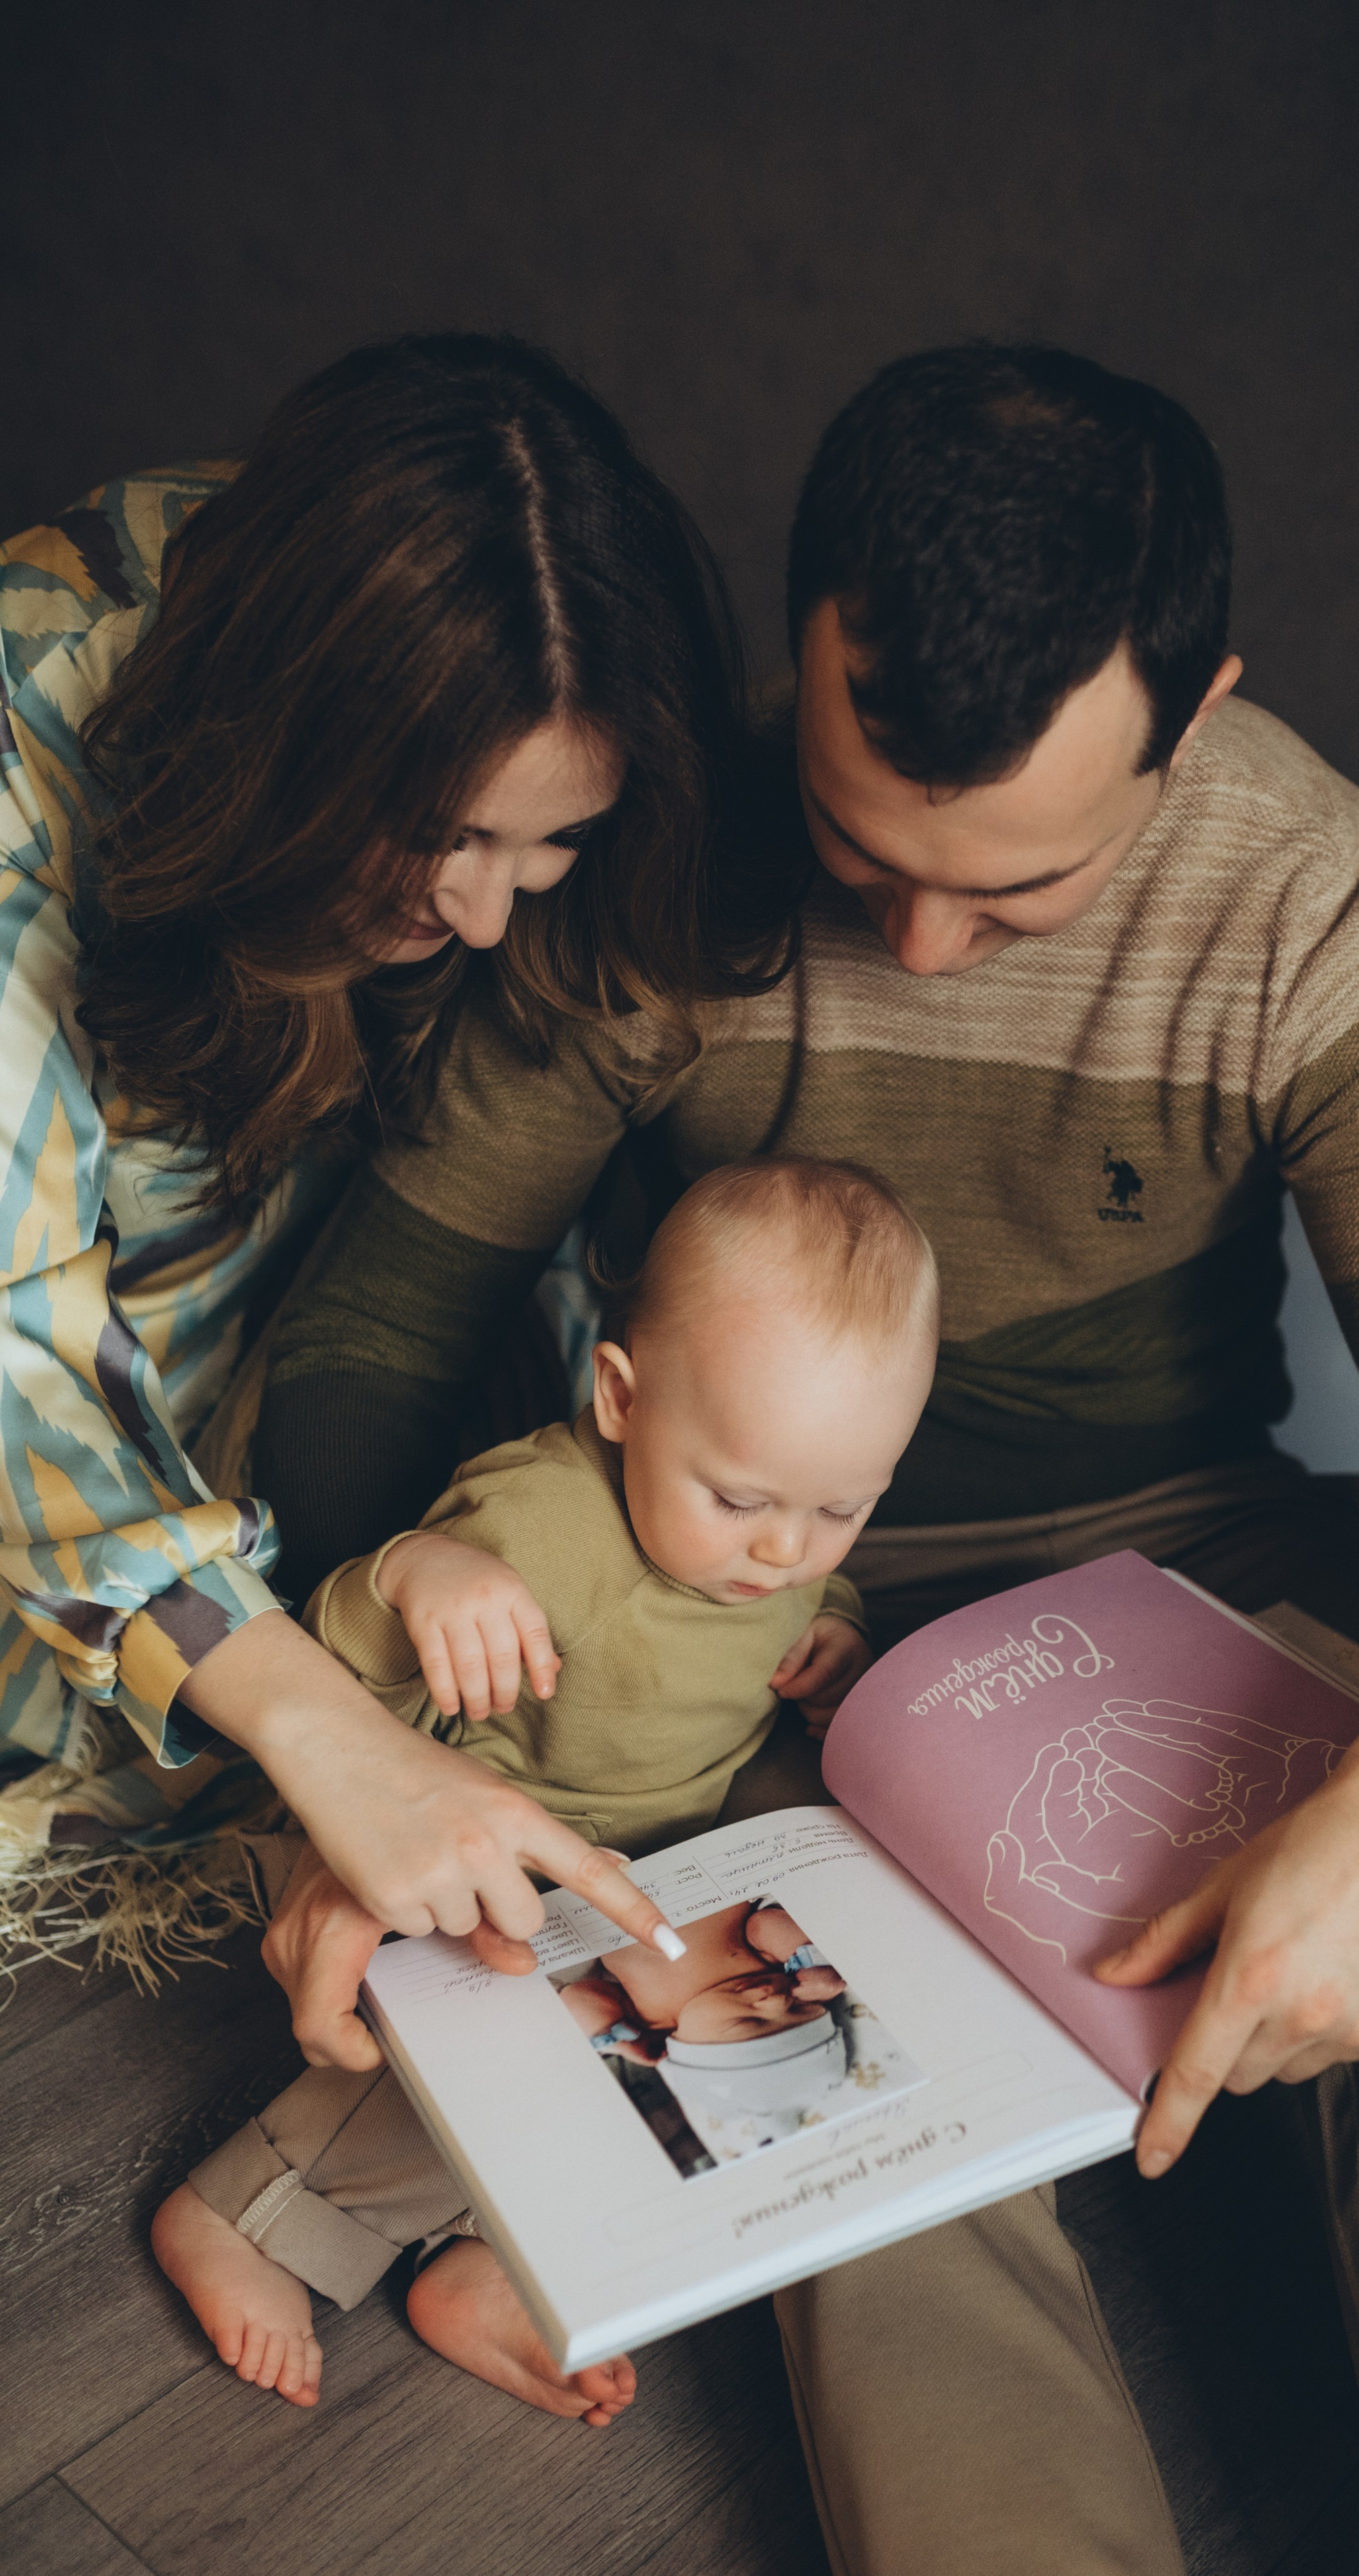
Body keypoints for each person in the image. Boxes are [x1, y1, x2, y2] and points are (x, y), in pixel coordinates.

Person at [253, 345, 1359, 2573]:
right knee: (830, 2093)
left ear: (1194, 720)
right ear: (799, 660)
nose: (912, 944)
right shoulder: (667, 857)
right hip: (751, 1617)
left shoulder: (1311, 899)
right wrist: (401, 1725)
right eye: (855, 850)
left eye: (1012, 899)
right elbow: (370, 1331)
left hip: (1194, 1550)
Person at [0, 330, 806, 1978]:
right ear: (275, 760)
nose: (481, 914)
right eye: (442, 835)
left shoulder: (513, 713)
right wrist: (326, 1732)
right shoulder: (37, 740)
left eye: (552, 846)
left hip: (321, 1449)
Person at [152, 1157, 937, 2415]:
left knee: (678, 2058)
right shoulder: (544, 1524)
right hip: (475, 1851)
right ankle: (252, 2213)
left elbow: (813, 1576)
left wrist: (835, 1626)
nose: (785, 1550)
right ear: (622, 1398)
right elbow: (340, 1670)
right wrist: (417, 1574)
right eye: (741, 1500)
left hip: (653, 1861)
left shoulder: (776, 1517)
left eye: (844, 1507)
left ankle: (489, 2258)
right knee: (486, 2042)